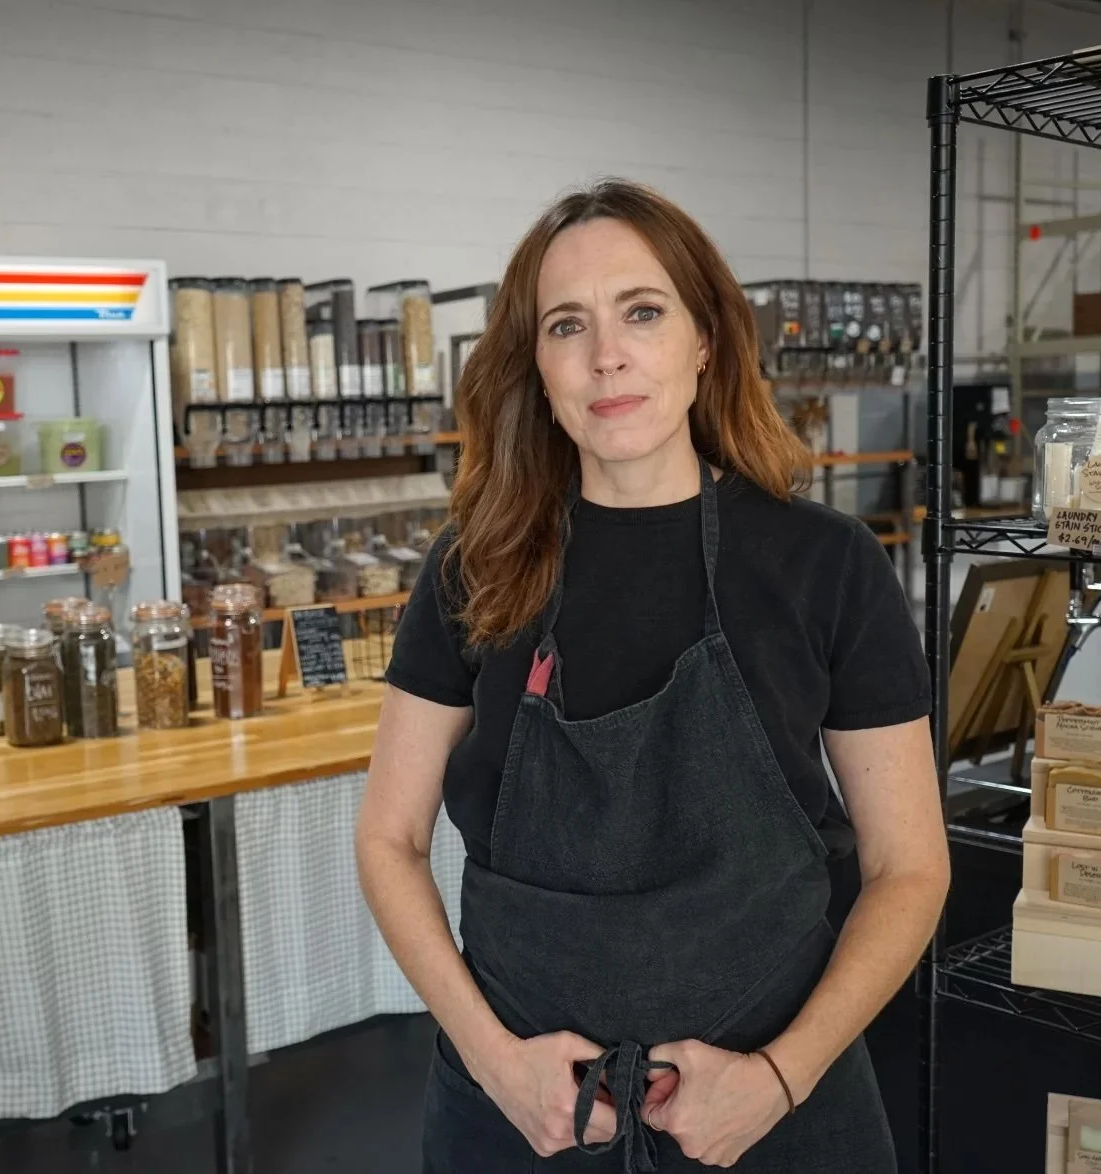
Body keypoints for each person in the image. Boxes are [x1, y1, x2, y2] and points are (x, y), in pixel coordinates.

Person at [355, 179, 948, 1172]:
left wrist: (777, 1079)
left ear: (704, 338)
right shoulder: (475, 565)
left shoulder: (825, 563)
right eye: (564, 325)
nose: (605, 356)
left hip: (773, 1115)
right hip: (520, 1118)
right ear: (534, 364)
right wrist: (494, 1062)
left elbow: (909, 868)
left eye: (641, 311)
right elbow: (387, 837)